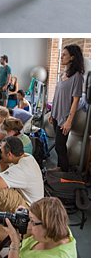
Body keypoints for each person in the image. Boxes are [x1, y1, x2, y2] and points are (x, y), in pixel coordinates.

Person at [49, 44, 85, 172]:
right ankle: (59, 168)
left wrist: (69, 121)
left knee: (60, 146)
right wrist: (52, 113)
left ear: (72, 57)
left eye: (64, 55)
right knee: (58, 144)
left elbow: (75, 101)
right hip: (56, 114)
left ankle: (63, 171)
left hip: (65, 117)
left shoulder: (78, 77)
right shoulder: (63, 74)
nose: (61, 57)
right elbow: (57, 95)